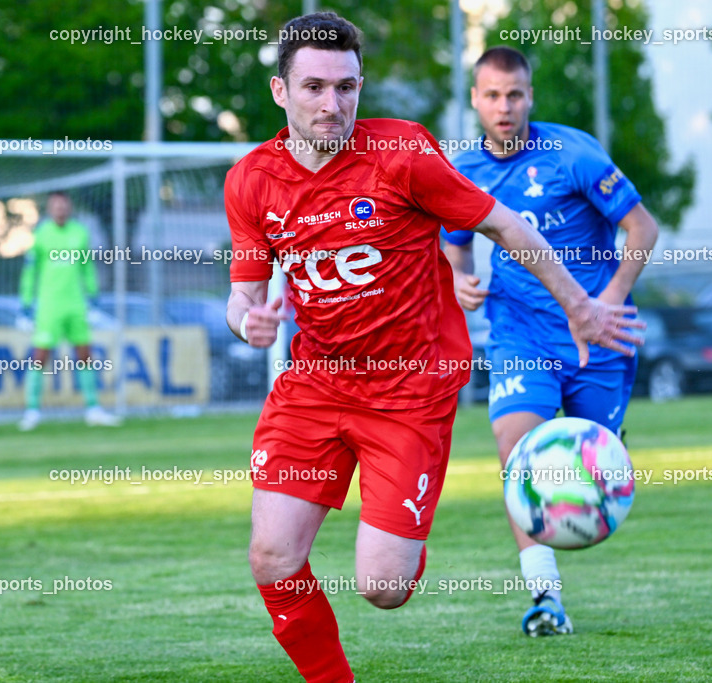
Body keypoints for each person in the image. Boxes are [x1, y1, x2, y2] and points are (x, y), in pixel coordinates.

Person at [225, 13, 643, 681]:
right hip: (314, 386)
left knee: (382, 587)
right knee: (271, 556)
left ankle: (404, 531)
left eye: (346, 87)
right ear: (281, 92)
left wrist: (581, 305)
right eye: (313, 87)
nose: (331, 104)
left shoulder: (405, 154)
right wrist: (248, 321)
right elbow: (243, 294)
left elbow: (506, 226)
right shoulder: (250, 180)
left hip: (410, 390)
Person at [441, 46, 659, 636]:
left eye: (514, 95)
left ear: (530, 96)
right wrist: (460, 276)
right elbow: (454, 239)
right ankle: (545, 596)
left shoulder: (574, 153)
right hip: (520, 334)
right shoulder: (464, 170)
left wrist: (608, 300)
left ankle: (606, 436)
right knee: (520, 456)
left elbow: (642, 226)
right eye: (492, 95)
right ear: (476, 100)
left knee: (597, 467)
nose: (504, 107)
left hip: (599, 337)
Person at [17, 191, 121, 431]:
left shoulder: (80, 233)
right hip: (49, 305)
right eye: (56, 206)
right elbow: (30, 272)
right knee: (40, 356)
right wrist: (25, 304)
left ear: (69, 208)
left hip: (76, 305)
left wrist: (94, 298)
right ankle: (32, 410)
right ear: (49, 210)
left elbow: (87, 268)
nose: (60, 210)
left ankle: (93, 409)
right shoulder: (41, 235)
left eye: (64, 206)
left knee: (85, 355)